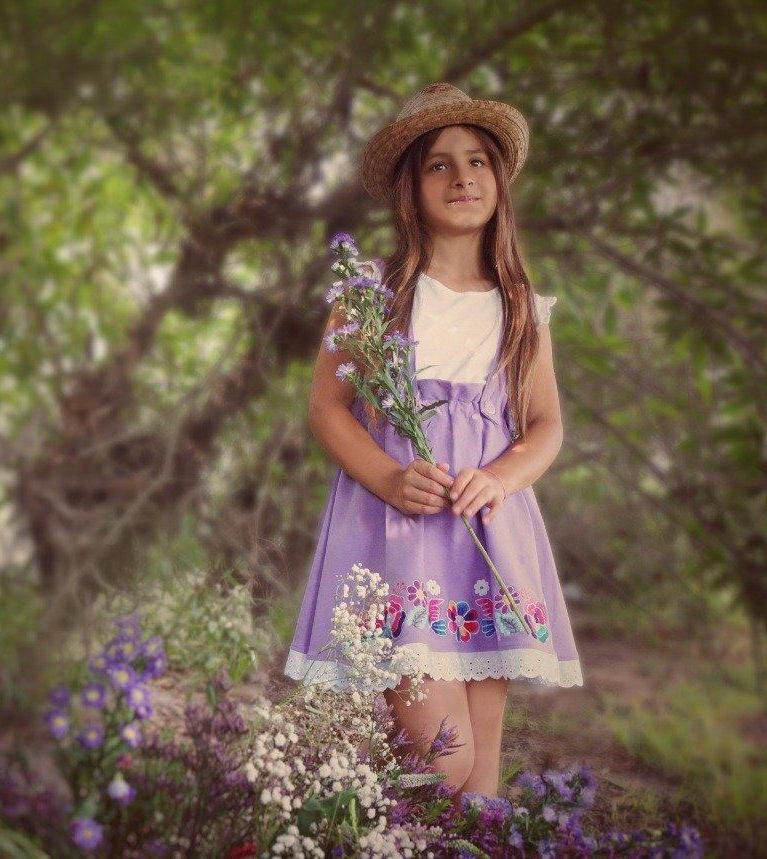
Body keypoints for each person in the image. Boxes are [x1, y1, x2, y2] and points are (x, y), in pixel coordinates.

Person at [282, 83, 584, 798]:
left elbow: (545, 424)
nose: (462, 177)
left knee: (480, 778)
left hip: (487, 544)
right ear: (409, 191)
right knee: (441, 758)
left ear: (500, 184)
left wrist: (504, 476)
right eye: (439, 165)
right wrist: (388, 476)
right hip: (400, 539)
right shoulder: (372, 296)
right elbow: (329, 407)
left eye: (478, 161)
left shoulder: (519, 308)